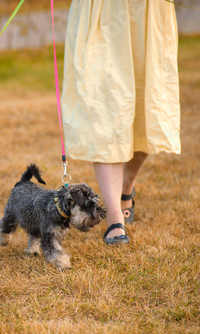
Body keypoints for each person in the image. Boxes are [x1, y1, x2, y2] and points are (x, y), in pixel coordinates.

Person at [61, 0, 181, 244]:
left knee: (147, 114)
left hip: (148, 13)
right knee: (104, 112)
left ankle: (126, 185)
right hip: (100, 12)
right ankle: (115, 216)